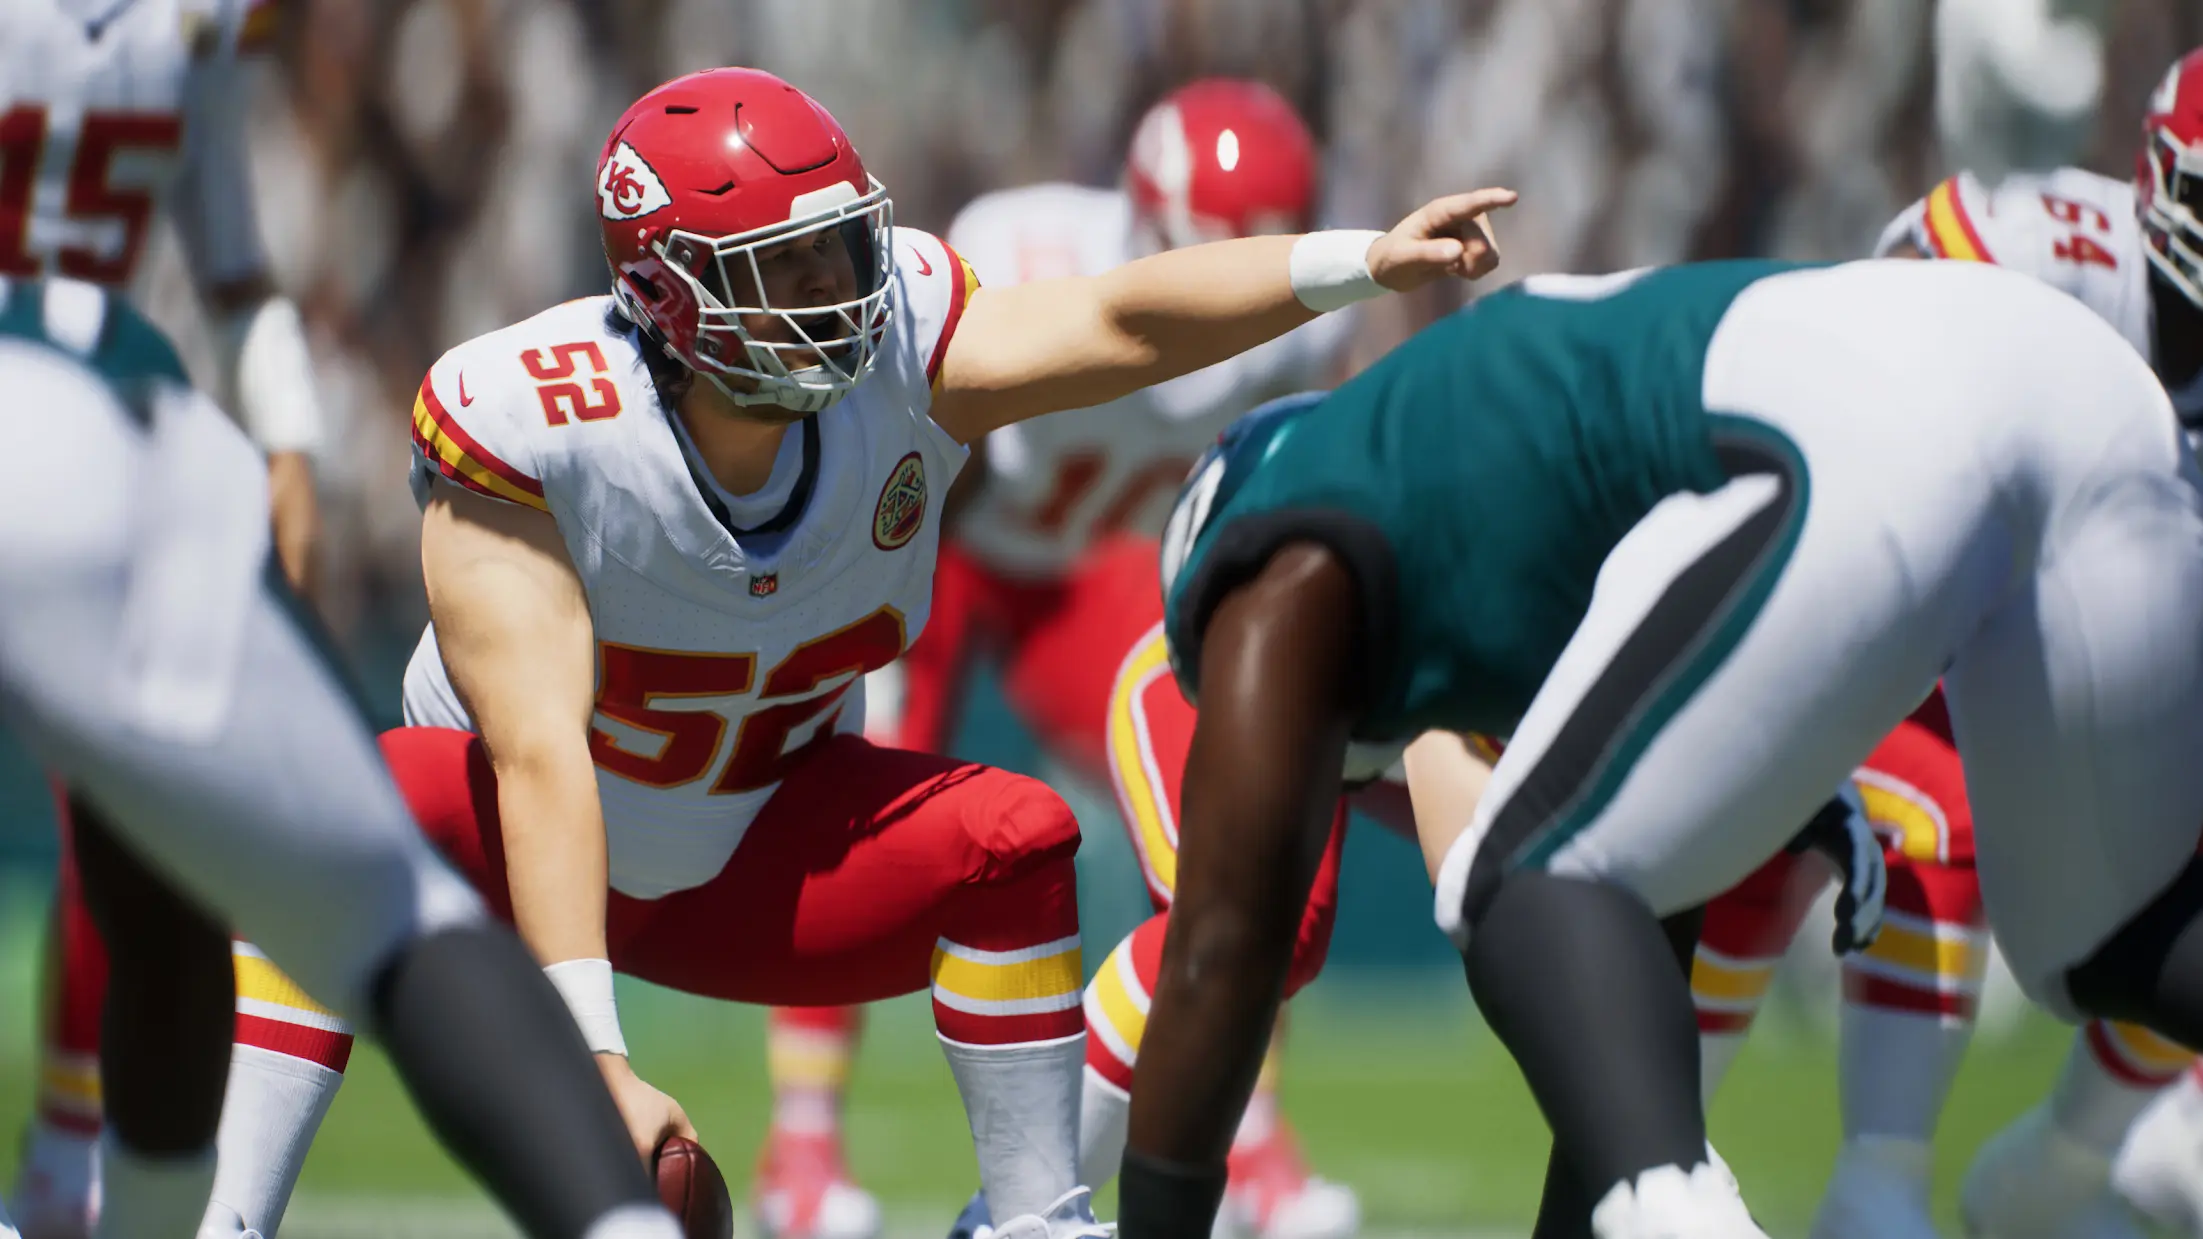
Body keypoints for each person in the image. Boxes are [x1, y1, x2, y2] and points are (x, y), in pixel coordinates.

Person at [189, 64, 1515, 1239]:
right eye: (789, 268)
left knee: (1016, 839)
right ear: (667, 295)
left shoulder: (902, 350)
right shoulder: (532, 423)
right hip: (507, 857)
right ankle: (228, 1217)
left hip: (754, 849)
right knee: (333, 805)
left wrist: (1356, 259)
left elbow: (1114, 322)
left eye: (838, 248)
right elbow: (536, 758)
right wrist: (593, 1052)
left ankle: (1032, 1216)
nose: (838, 292)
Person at [1117, 256, 2203, 1239]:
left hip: (1875, 423)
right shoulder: (1491, 481)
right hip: (2078, 384)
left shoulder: (1283, 552)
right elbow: (1634, 942)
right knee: (2117, 946)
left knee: (1515, 875)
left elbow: (1222, 947)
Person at [759, 78, 1357, 1239]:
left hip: (1084, 574)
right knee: (848, 807)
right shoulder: (1019, 248)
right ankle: (801, 1146)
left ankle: (1252, 1130)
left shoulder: (1309, 320)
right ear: (1148, 225)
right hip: (931, 540)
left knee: (1228, 797)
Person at [0, 274, 681, 1239]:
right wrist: (286, 440)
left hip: (95, 426)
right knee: (378, 915)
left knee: (175, 890)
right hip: (146, 425)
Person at [1674, 44, 2203, 1239]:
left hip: (2062, 667)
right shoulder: (2065, 252)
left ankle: (2081, 1153)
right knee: (1814, 829)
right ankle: (1670, 1156)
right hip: (1893, 586)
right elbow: (1891, 299)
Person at [0, 3, 335, 1230]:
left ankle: (61, 1168)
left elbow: (231, 260)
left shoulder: (179, 30)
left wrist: (290, 435)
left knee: (130, 829)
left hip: (88, 427)